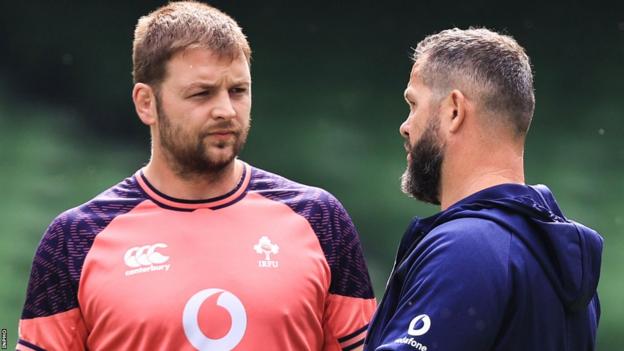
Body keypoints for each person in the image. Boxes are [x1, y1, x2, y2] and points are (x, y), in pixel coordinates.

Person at [17, 2, 375, 350]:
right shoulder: (76, 238)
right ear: (146, 102)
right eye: (201, 93)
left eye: (238, 91)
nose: (225, 110)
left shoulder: (319, 218)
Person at [364, 28, 603, 351]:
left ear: (454, 111)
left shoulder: (466, 249)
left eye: (413, 104)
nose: (405, 126)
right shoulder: (556, 258)